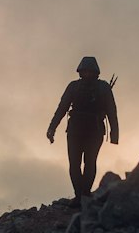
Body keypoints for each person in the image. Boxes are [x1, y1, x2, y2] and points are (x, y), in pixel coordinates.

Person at [46, 56, 119, 203]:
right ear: (80, 71)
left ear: (95, 72)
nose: (87, 73)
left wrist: (114, 135)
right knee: (74, 164)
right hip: (75, 131)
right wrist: (52, 128)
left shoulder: (103, 87)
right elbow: (62, 108)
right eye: (84, 71)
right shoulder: (74, 86)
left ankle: (84, 195)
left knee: (89, 163)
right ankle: (79, 195)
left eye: (89, 71)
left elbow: (112, 111)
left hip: (94, 130)